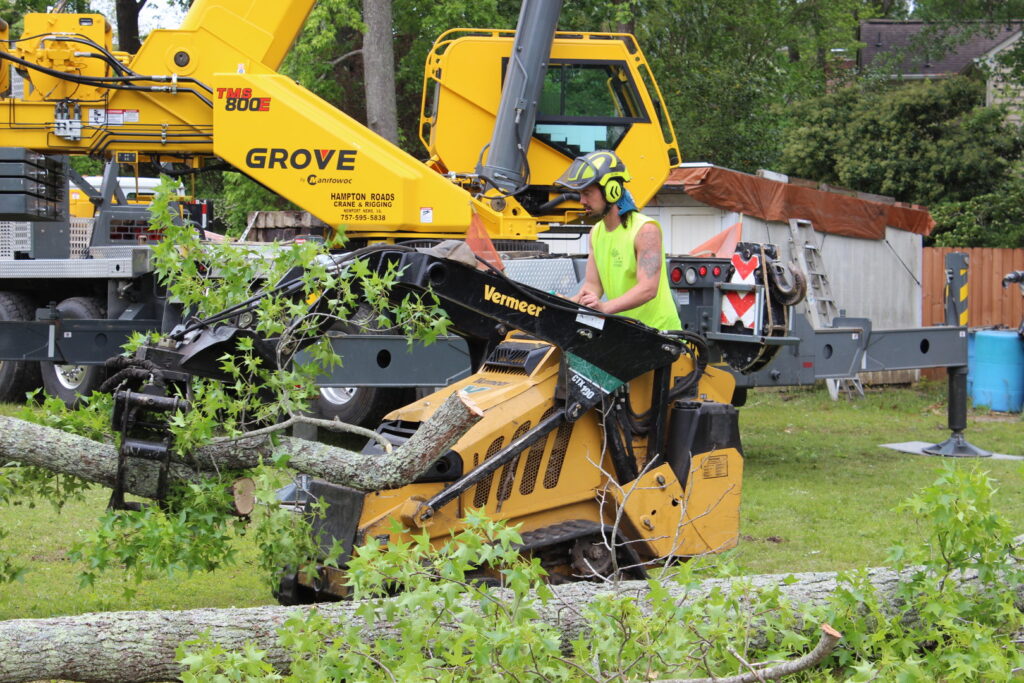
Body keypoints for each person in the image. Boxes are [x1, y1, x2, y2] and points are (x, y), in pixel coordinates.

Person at [554, 150, 681, 330]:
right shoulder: (596, 232)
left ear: (611, 190)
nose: (581, 200)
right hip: (627, 333)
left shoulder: (645, 230)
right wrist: (567, 302)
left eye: (587, 193)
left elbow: (648, 289)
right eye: (580, 194)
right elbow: (593, 286)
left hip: (659, 334)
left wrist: (604, 308)